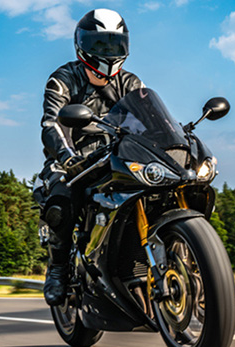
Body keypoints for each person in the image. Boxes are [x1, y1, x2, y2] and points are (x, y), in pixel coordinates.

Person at [38, 8, 144, 306]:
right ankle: (58, 267)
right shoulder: (62, 79)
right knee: (61, 202)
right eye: (99, 44)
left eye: (114, 44)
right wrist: (68, 158)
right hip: (73, 159)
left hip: (117, 156)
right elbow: (51, 124)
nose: (107, 52)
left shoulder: (131, 83)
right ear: (81, 45)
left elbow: (148, 121)